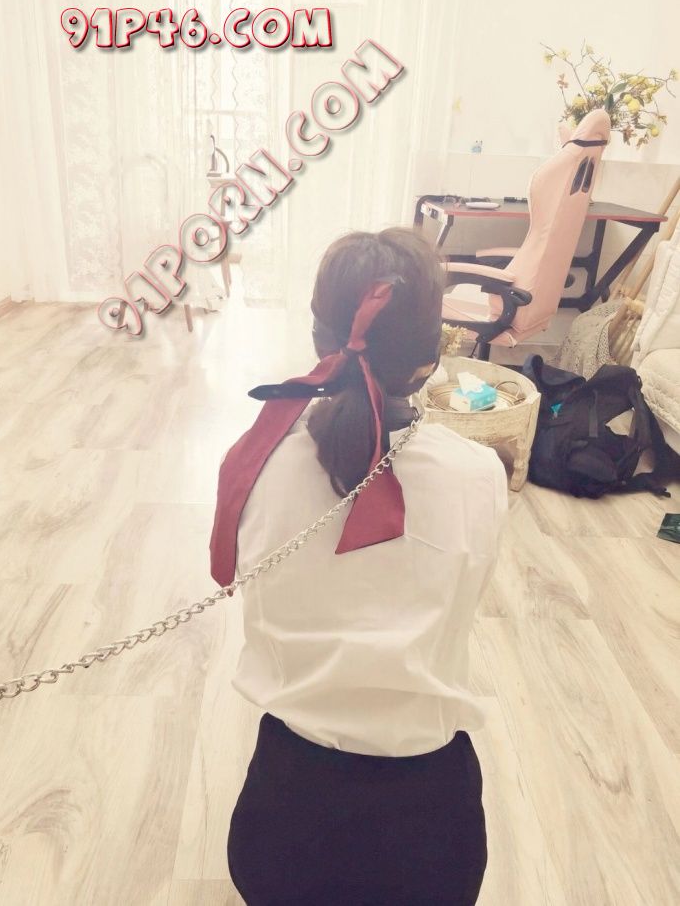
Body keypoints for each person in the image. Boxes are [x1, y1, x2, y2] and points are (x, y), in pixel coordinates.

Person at [209, 227, 508, 905]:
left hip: (283, 825)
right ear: (431, 359)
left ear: (321, 341)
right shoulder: (477, 474)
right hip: (432, 838)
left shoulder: (254, 463)